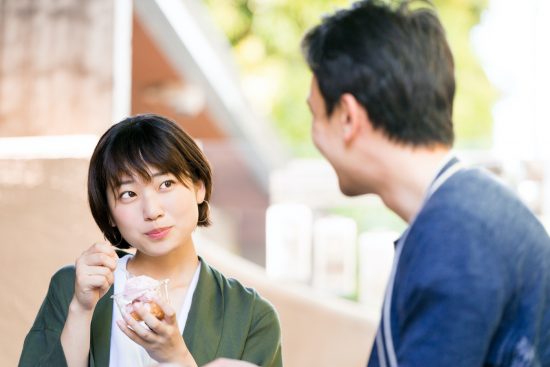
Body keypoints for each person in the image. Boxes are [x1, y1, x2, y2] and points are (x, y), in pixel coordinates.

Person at [300, 0, 550, 366]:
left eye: (315, 114)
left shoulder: (457, 232)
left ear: (348, 118)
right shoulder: (470, 213)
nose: (314, 135)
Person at [19, 114, 282, 367]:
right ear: (109, 213)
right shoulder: (73, 288)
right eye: (129, 193)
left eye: (166, 184)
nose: (152, 210)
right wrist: (80, 310)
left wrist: (177, 358)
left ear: (199, 186)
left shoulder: (250, 317)